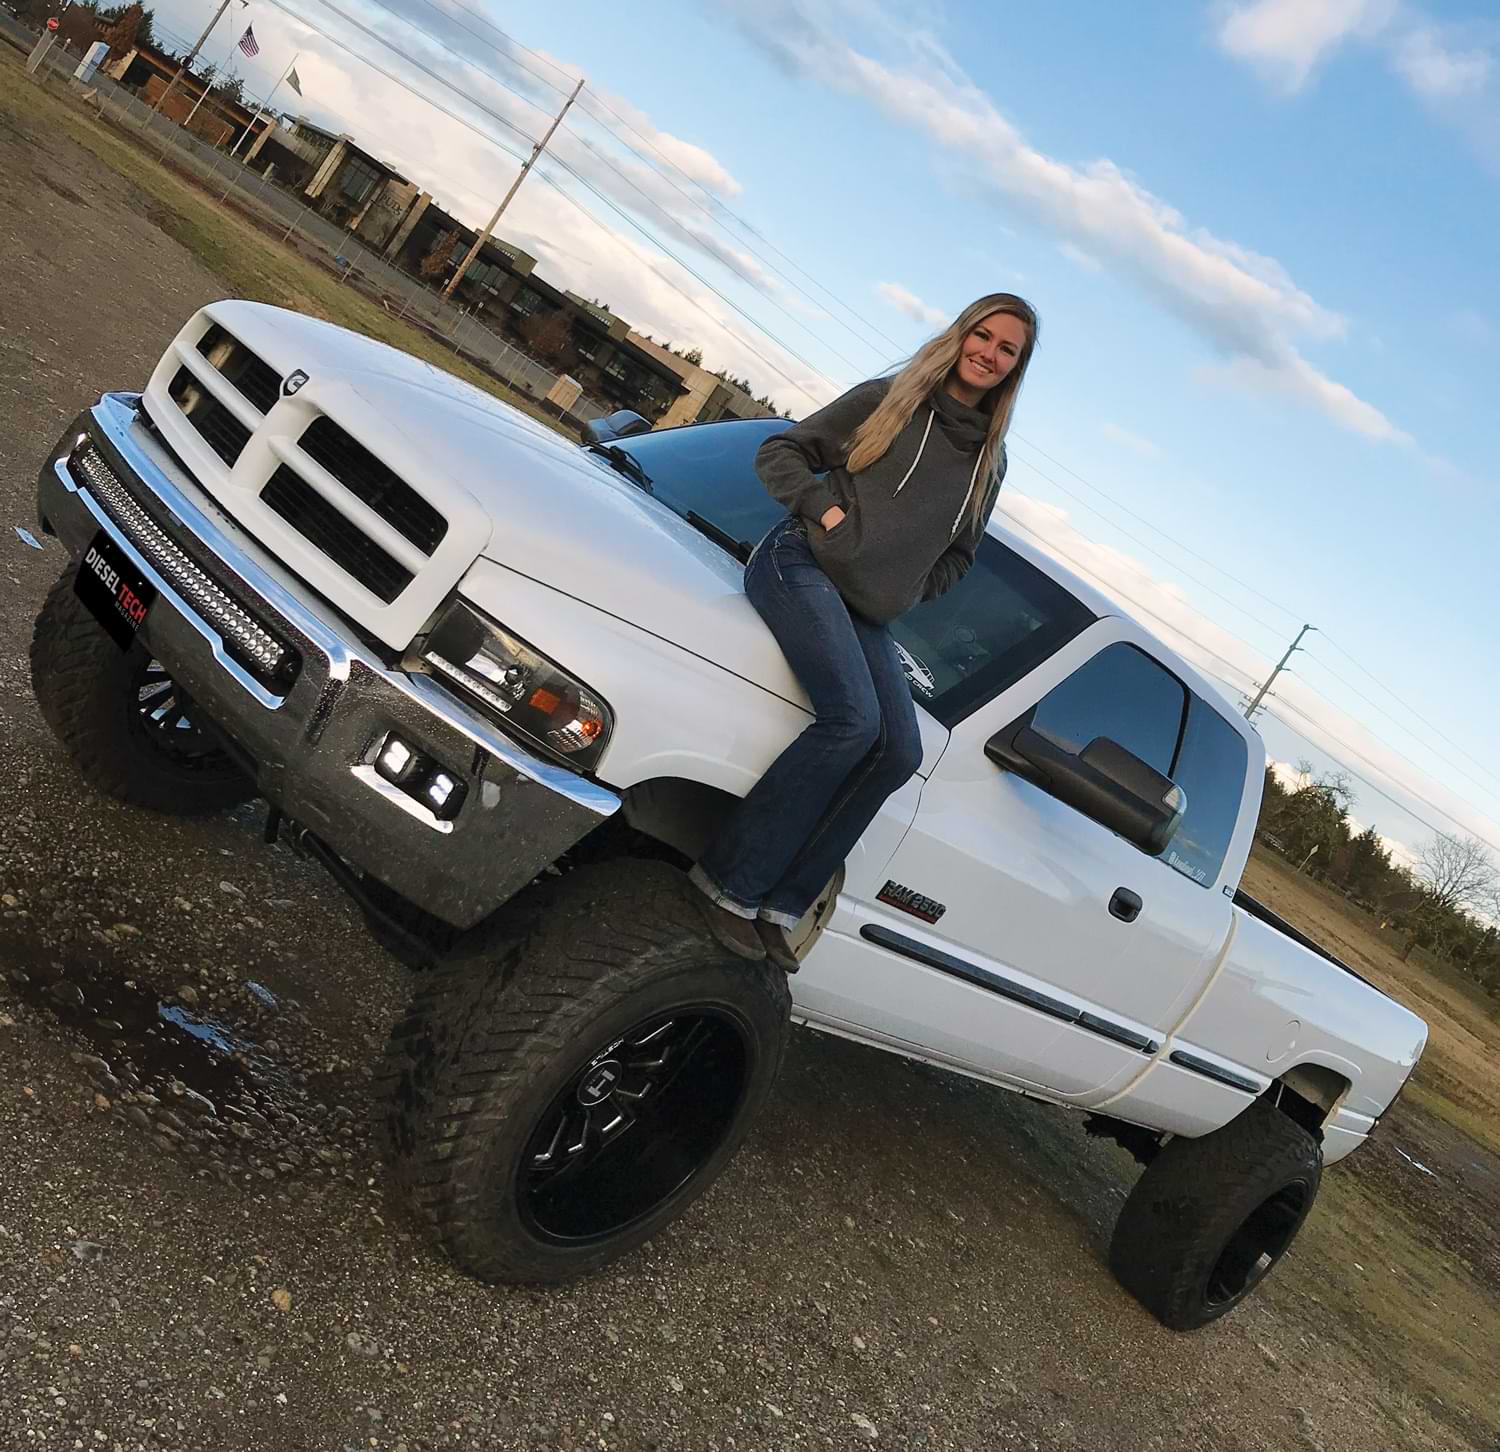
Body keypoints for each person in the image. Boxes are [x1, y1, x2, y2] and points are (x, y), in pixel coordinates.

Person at [688, 293, 1040, 971]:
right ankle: (728, 883)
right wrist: (828, 519)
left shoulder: (989, 464)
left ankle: (780, 905)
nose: (989, 355)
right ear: (960, 334)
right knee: (851, 722)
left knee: (898, 751)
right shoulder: (891, 399)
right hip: (798, 565)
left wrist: (910, 586)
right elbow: (782, 452)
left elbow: (962, 554)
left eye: (1007, 350)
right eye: (984, 336)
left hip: (868, 612)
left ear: (1014, 370)